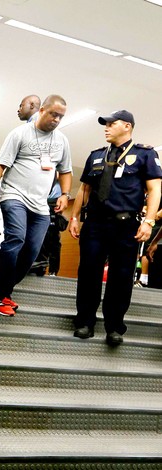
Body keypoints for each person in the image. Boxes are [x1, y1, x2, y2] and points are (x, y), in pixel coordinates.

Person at [68, 110, 162, 346]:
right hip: (95, 224)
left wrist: (149, 221)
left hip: (126, 225)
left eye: (112, 124)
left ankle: (114, 326)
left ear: (127, 126)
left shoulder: (145, 154)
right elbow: (84, 190)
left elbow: (155, 190)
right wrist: (74, 217)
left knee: (120, 277)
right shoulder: (96, 156)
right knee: (88, 273)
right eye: (105, 124)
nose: (106, 128)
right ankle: (85, 322)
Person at [0, 95, 72, 317]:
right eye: (53, 114)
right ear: (42, 110)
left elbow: (66, 171)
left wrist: (65, 194)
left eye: (61, 117)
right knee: (16, 238)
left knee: (32, 252)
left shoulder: (62, 141)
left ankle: (1, 292)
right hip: (14, 196)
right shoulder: (19, 134)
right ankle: (1, 295)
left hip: (41, 205)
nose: (56, 120)